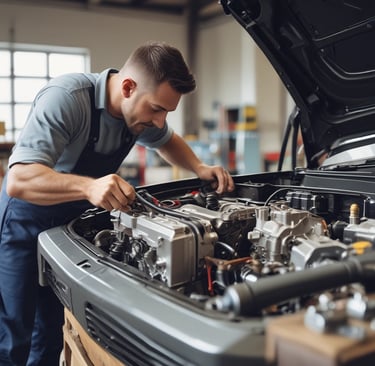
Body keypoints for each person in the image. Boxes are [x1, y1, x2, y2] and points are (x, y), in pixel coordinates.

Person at [0, 41, 234, 365]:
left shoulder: (138, 116)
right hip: (25, 222)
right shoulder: (67, 99)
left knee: (49, 333)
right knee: (13, 334)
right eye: (156, 109)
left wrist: (199, 167)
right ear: (127, 87)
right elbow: (19, 180)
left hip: (65, 228)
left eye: (167, 112)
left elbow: (168, 140)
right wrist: (89, 187)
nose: (159, 120)